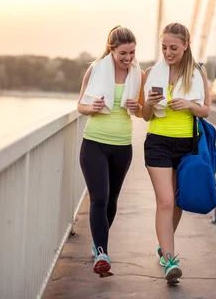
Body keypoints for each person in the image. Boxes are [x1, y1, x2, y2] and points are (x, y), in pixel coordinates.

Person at [141, 22, 210, 284]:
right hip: (157, 142)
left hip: (186, 146)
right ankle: (170, 259)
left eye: (173, 48)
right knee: (166, 201)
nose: (168, 53)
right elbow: (145, 116)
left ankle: (164, 243)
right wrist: (148, 103)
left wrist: (190, 104)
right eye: (164, 48)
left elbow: (205, 111)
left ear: (185, 46)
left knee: (178, 203)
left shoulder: (198, 73)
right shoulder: (151, 73)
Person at [77, 25, 144, 276]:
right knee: (99, 199)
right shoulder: (95, 69)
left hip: (122, 147)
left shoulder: (137, 74)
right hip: (94, 143)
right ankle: (103, 253)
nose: (128, 59)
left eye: (132, 53)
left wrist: (136, 106)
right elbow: (80, 106)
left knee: (112, 201)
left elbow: (141, 111)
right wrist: (91, 107)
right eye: (123, 54)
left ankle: (98, 247)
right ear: (112, 50)